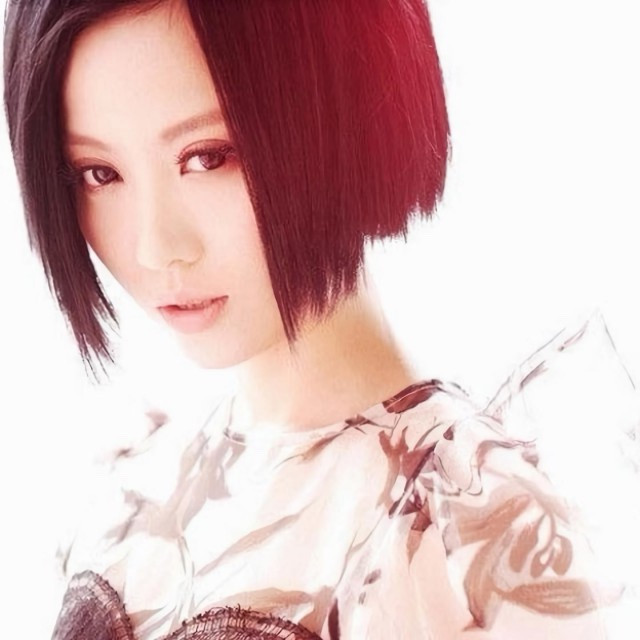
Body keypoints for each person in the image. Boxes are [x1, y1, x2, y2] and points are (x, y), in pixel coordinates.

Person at [3, 0, 636, 638]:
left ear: (341, 116)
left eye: (208, 156)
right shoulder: (129, 491)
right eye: (99, 173)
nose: (155, 247)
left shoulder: (477, 530)